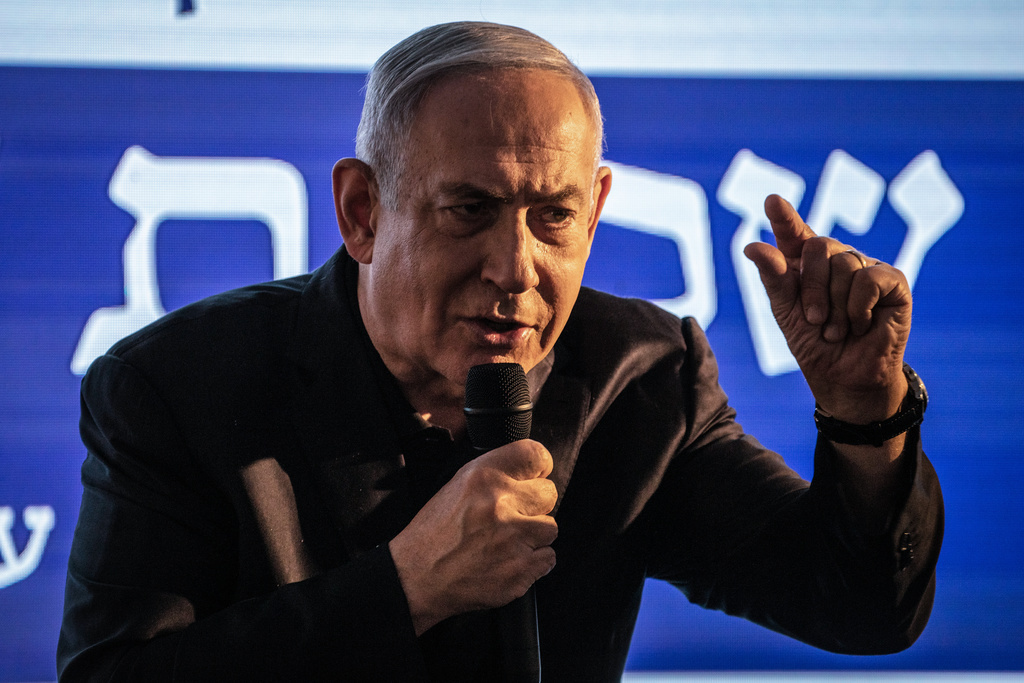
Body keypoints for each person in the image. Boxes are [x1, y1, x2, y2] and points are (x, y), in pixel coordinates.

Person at [58, 21, 943, 682]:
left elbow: (863, 607)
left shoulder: (642, 375)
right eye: (470, 210)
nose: (516, 268)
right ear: (363, 212)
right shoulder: (175, 386)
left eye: (553, 216)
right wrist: (404, 588)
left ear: (595, 213)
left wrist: (867, 416)